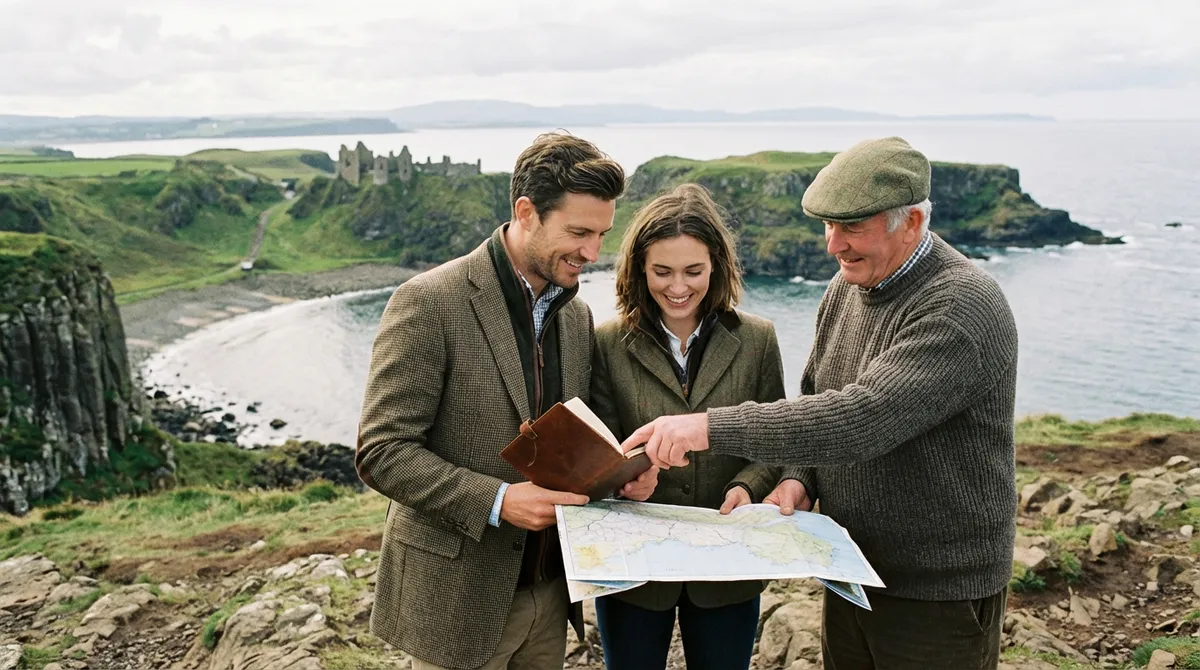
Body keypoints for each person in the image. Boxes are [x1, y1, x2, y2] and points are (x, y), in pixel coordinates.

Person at [620, 137, 1019, 670]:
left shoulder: (961, 305)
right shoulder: (850, 285)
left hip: (934, 591)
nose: (834, 245)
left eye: (852, 227)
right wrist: (802, 477)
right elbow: (817, 397)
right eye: (829, 225)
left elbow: (863, 418)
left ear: (912, 223)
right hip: (853, 571)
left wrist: (707, 428)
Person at [355, 131, 648, 670]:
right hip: (457, 600)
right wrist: (499, 501)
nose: (592, 253)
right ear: (526, 212)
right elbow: (382, 451)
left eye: (602, 234)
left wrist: (619, 476)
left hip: (550, 592)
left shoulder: (576, 315)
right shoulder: (428, 302)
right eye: (579, 232)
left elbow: (570, 439)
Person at [588, 183, 811, 670]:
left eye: (694, 271)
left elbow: (776, 437)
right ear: (638, 269)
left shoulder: (757, 339)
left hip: (728, 564)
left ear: (717, 266)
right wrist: (628, 480)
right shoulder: (604, 341)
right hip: (635, 569)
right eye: (661, 271)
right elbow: (602, 448)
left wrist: (746, 486)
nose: (678, 287)